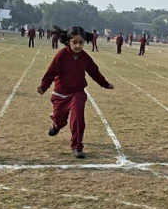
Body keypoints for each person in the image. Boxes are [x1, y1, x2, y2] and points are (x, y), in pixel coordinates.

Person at [37, 26, 114, 159]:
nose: (78, 45)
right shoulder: (61, 55)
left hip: (77, 93)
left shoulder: (85, 57)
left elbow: (94, 72)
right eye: (75, 42)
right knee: (60, 120)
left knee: (78, 117)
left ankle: (77, 146)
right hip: (60, 94)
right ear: (68, 41)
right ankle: (56, 124)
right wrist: (43, 87)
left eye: (81, 42)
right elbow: (51, 72)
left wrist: (105, 84)